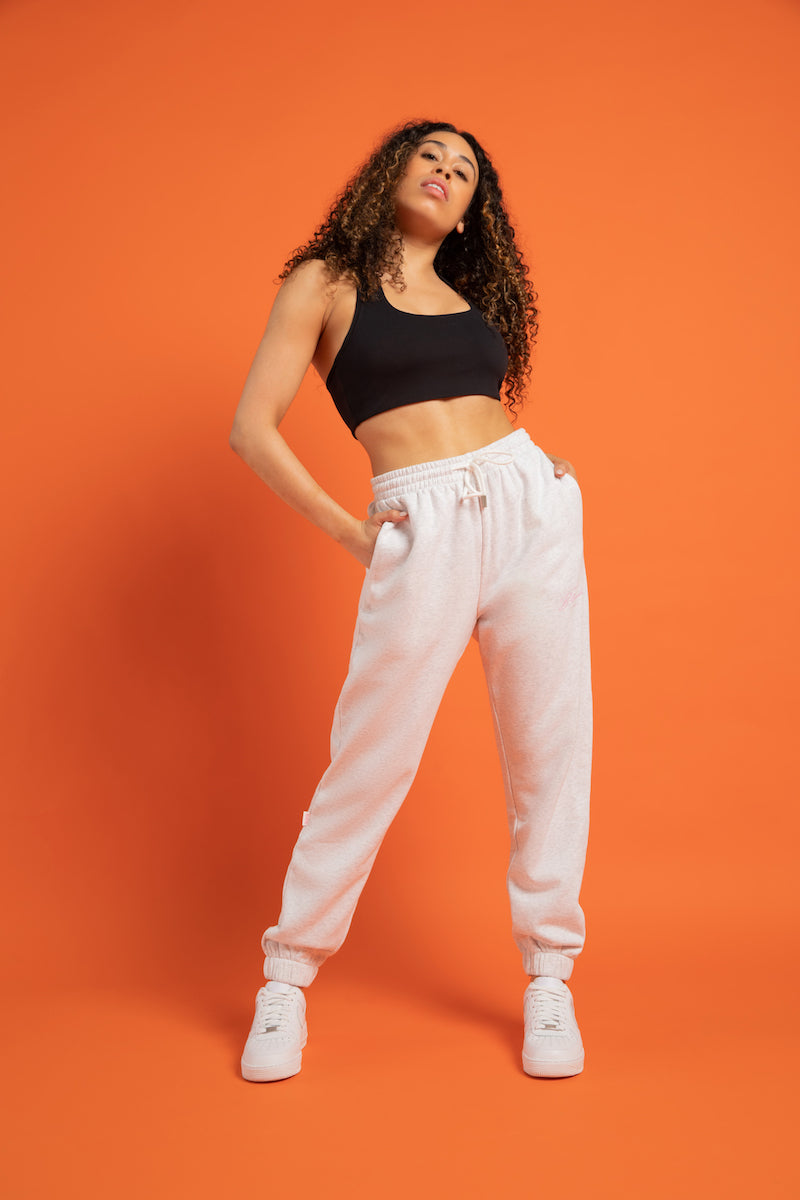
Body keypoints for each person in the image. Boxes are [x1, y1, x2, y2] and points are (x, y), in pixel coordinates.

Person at [229, 118, 592, 1082]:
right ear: (391, 171)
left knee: (551, 748)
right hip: (419, 526)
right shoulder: (325, 282)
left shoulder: (471, 299)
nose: (444, 170)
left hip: (530, 511)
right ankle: (286, 977)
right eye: (430, 154)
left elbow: (478, 414)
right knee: (372, 754)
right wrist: (351, 532)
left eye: (464, 169)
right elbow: (252, 428)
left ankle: (550, 975)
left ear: (472, 210)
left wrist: (535, 473)